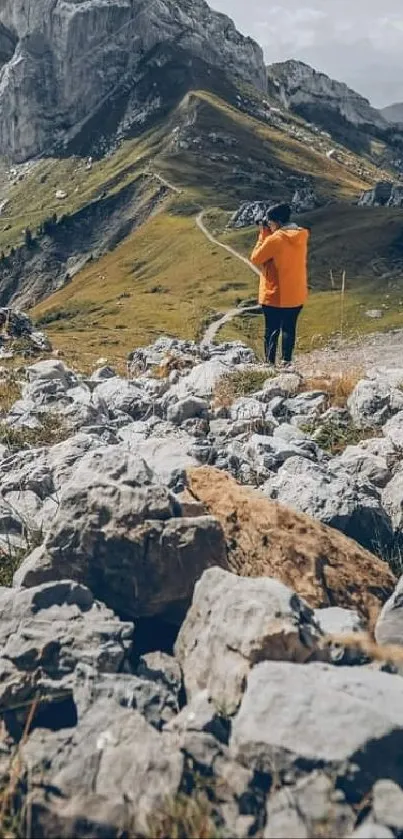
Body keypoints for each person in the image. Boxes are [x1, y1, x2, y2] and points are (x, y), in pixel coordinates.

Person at [250, 203, 310, 368]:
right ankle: (286, 363)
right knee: (289, 329)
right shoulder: (302, 234)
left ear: (276, 222)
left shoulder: (275, 239)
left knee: (271, 331)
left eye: (270, 223)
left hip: (275, 294)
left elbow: (256, 258)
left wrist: (263, 234)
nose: (268, 225)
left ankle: (269, 365)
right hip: (296, 293)